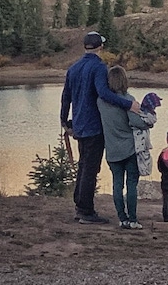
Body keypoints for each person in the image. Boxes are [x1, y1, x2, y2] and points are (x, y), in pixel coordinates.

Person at [60, 31, 141, 224]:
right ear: (101, 47)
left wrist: (65, 122)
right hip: (94, 126)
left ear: (85, 46)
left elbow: (66, 97)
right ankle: (85, 211)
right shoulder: (98, 67)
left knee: (83, 165)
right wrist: (129, 105)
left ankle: (80, 206)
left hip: (79, 125)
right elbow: (104, 94)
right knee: (90, 168)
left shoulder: (73, 68)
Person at [97, 64, 153, 230]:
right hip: (130, 150)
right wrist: (149, 120)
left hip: (112, 150)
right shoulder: (128, 100)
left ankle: (122, 218)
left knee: (117, 184)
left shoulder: (100, 101)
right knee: (131, 185)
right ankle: (133, 219)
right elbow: (137, 123)